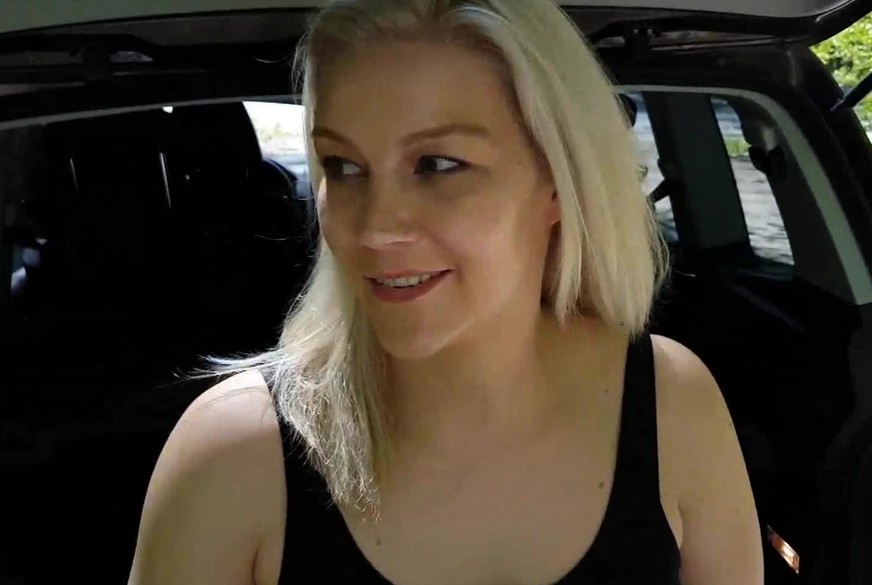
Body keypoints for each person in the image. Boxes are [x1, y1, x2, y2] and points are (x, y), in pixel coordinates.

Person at [128, 1, 764, 584]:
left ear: (558, 181)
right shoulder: (232, 457)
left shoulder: (672, 403)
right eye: (344, 167)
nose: (375, 228)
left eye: (436, 165)